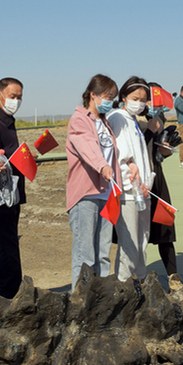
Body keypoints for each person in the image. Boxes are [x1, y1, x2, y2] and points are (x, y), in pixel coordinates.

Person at [66, 74, 122, 289]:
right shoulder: (79, 120)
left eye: (113, 98)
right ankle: (82, 305)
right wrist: (102, 166)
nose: (110, 101)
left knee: (103, 254)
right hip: (86, 196)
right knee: (85, 255)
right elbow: (87, 145)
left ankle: (103, 300)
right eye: (107, 96)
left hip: (107, 195)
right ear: (93, 95)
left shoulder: (105, 123)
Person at [106, 77, 155, 282]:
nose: (140, 102)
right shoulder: (118, 118)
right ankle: (124, 285)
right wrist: (133, 185)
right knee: (130, 243)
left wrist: (146, 184)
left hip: (142, 191)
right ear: (124, 97)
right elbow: (121, 158)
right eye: (135, 98)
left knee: (142, 240)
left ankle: (140, 281)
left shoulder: (132, 119)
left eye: (143, 99)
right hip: (129, 193)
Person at [0, 77, 26, 300]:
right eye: (13, 96)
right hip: (0, 197)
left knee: (5, 249)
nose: (17, 101)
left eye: (20, 97)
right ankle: (9, 296)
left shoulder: (7, 119)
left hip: (13, 193)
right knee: (7, 250)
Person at [145, 82, 179, 287]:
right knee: (136, 231)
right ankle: (136, 277)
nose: (155, 105)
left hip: (157, 175)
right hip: (138, 178)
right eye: (152, 100)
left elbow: (158, 154)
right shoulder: (132, 119)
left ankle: (173, 276)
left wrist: (166, 149)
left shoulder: (159, 119)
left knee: (165, 226)